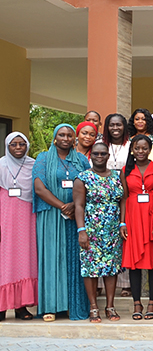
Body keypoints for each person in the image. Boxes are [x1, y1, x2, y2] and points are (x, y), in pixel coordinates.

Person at [32, 124, 91, 321]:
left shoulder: (81, 160)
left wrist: (75, 206)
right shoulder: (43, 158)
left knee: (74, 260)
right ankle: (50, 306)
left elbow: (90, 184)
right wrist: (62, 206)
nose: (65, 138)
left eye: (69, 135)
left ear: (74, 139)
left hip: (77, 217)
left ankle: (70, 305)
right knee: (52, 258)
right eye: (61, 135)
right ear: (55, 138)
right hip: (50, 216)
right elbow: (39, 187)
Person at [74, 143, 124, 323]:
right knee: (91, 269)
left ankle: (110, 305)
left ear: (108, 156)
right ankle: (93, 306)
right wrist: (81, 230)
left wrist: (122, 223)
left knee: (111, 268)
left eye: (103, 153)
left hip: (112, 230)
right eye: (96, 154)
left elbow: (122, 200)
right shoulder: (83, 178)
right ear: (91, 156)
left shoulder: (117, 176)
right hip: (91, 230)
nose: (100, 156)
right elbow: (79, 206)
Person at [121, 134, 153, 321]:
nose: (141, 151)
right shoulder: (125, 170)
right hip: (133, 217)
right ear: (132, 150)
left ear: (150, 149)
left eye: (144, 148)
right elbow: (123, 198)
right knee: (135, 264)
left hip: (152, 218)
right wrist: (123, 222)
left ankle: (152, 301)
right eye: (137, 148)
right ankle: (137, 302)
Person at [0, 132, 37, 321]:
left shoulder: (33, 165)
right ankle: (2, 306)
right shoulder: (0, 165)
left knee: (25, 259)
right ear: (7, 146)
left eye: (22, 144)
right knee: (5, 261)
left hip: (28, 219)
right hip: (5, 218)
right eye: (13, 144)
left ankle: (21, 307)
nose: (18, 148)